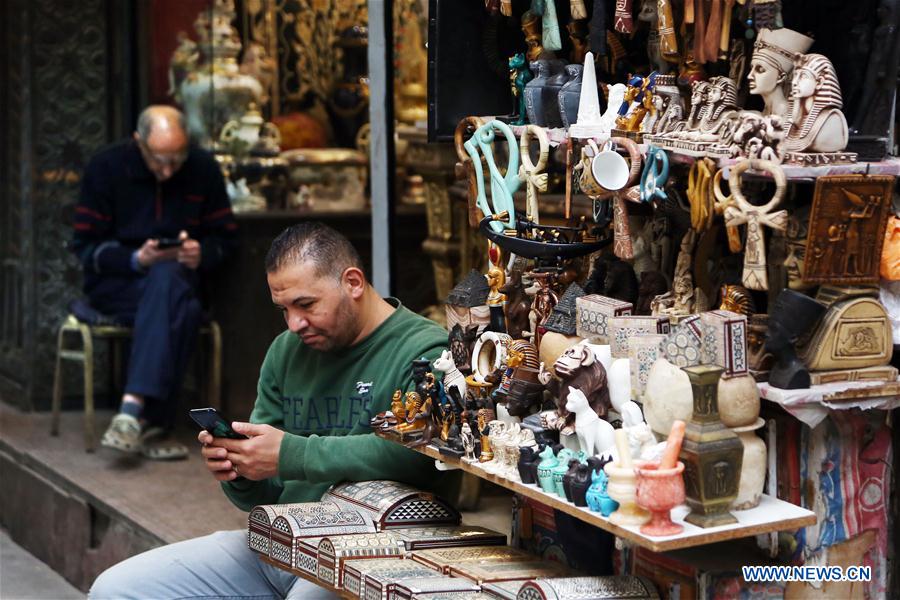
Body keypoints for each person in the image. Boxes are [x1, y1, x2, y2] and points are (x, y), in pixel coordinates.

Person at [89, 222, 449, 599]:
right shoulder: (285, 350)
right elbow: (261, 494)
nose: (295, 323)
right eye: (284, 309)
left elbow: (417, 457)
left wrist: (290, 454)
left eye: (306, 305)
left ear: (353, 283)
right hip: (281, 542)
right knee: (115, 589)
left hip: (377, 552)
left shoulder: (425, 352)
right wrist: (241, 467)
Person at [72, 105, 237, 458]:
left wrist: (201, 254)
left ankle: (133, 411)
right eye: (159, 159)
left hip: (182, 279)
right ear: (138, 144)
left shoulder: (202, 168)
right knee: (184, 307)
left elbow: (227, 241)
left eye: (176, 160)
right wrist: (136, 259)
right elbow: (84, 248)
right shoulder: (106, 168)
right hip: (119, 287)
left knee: (171, 283)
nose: (167, 170)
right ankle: (154, 422)